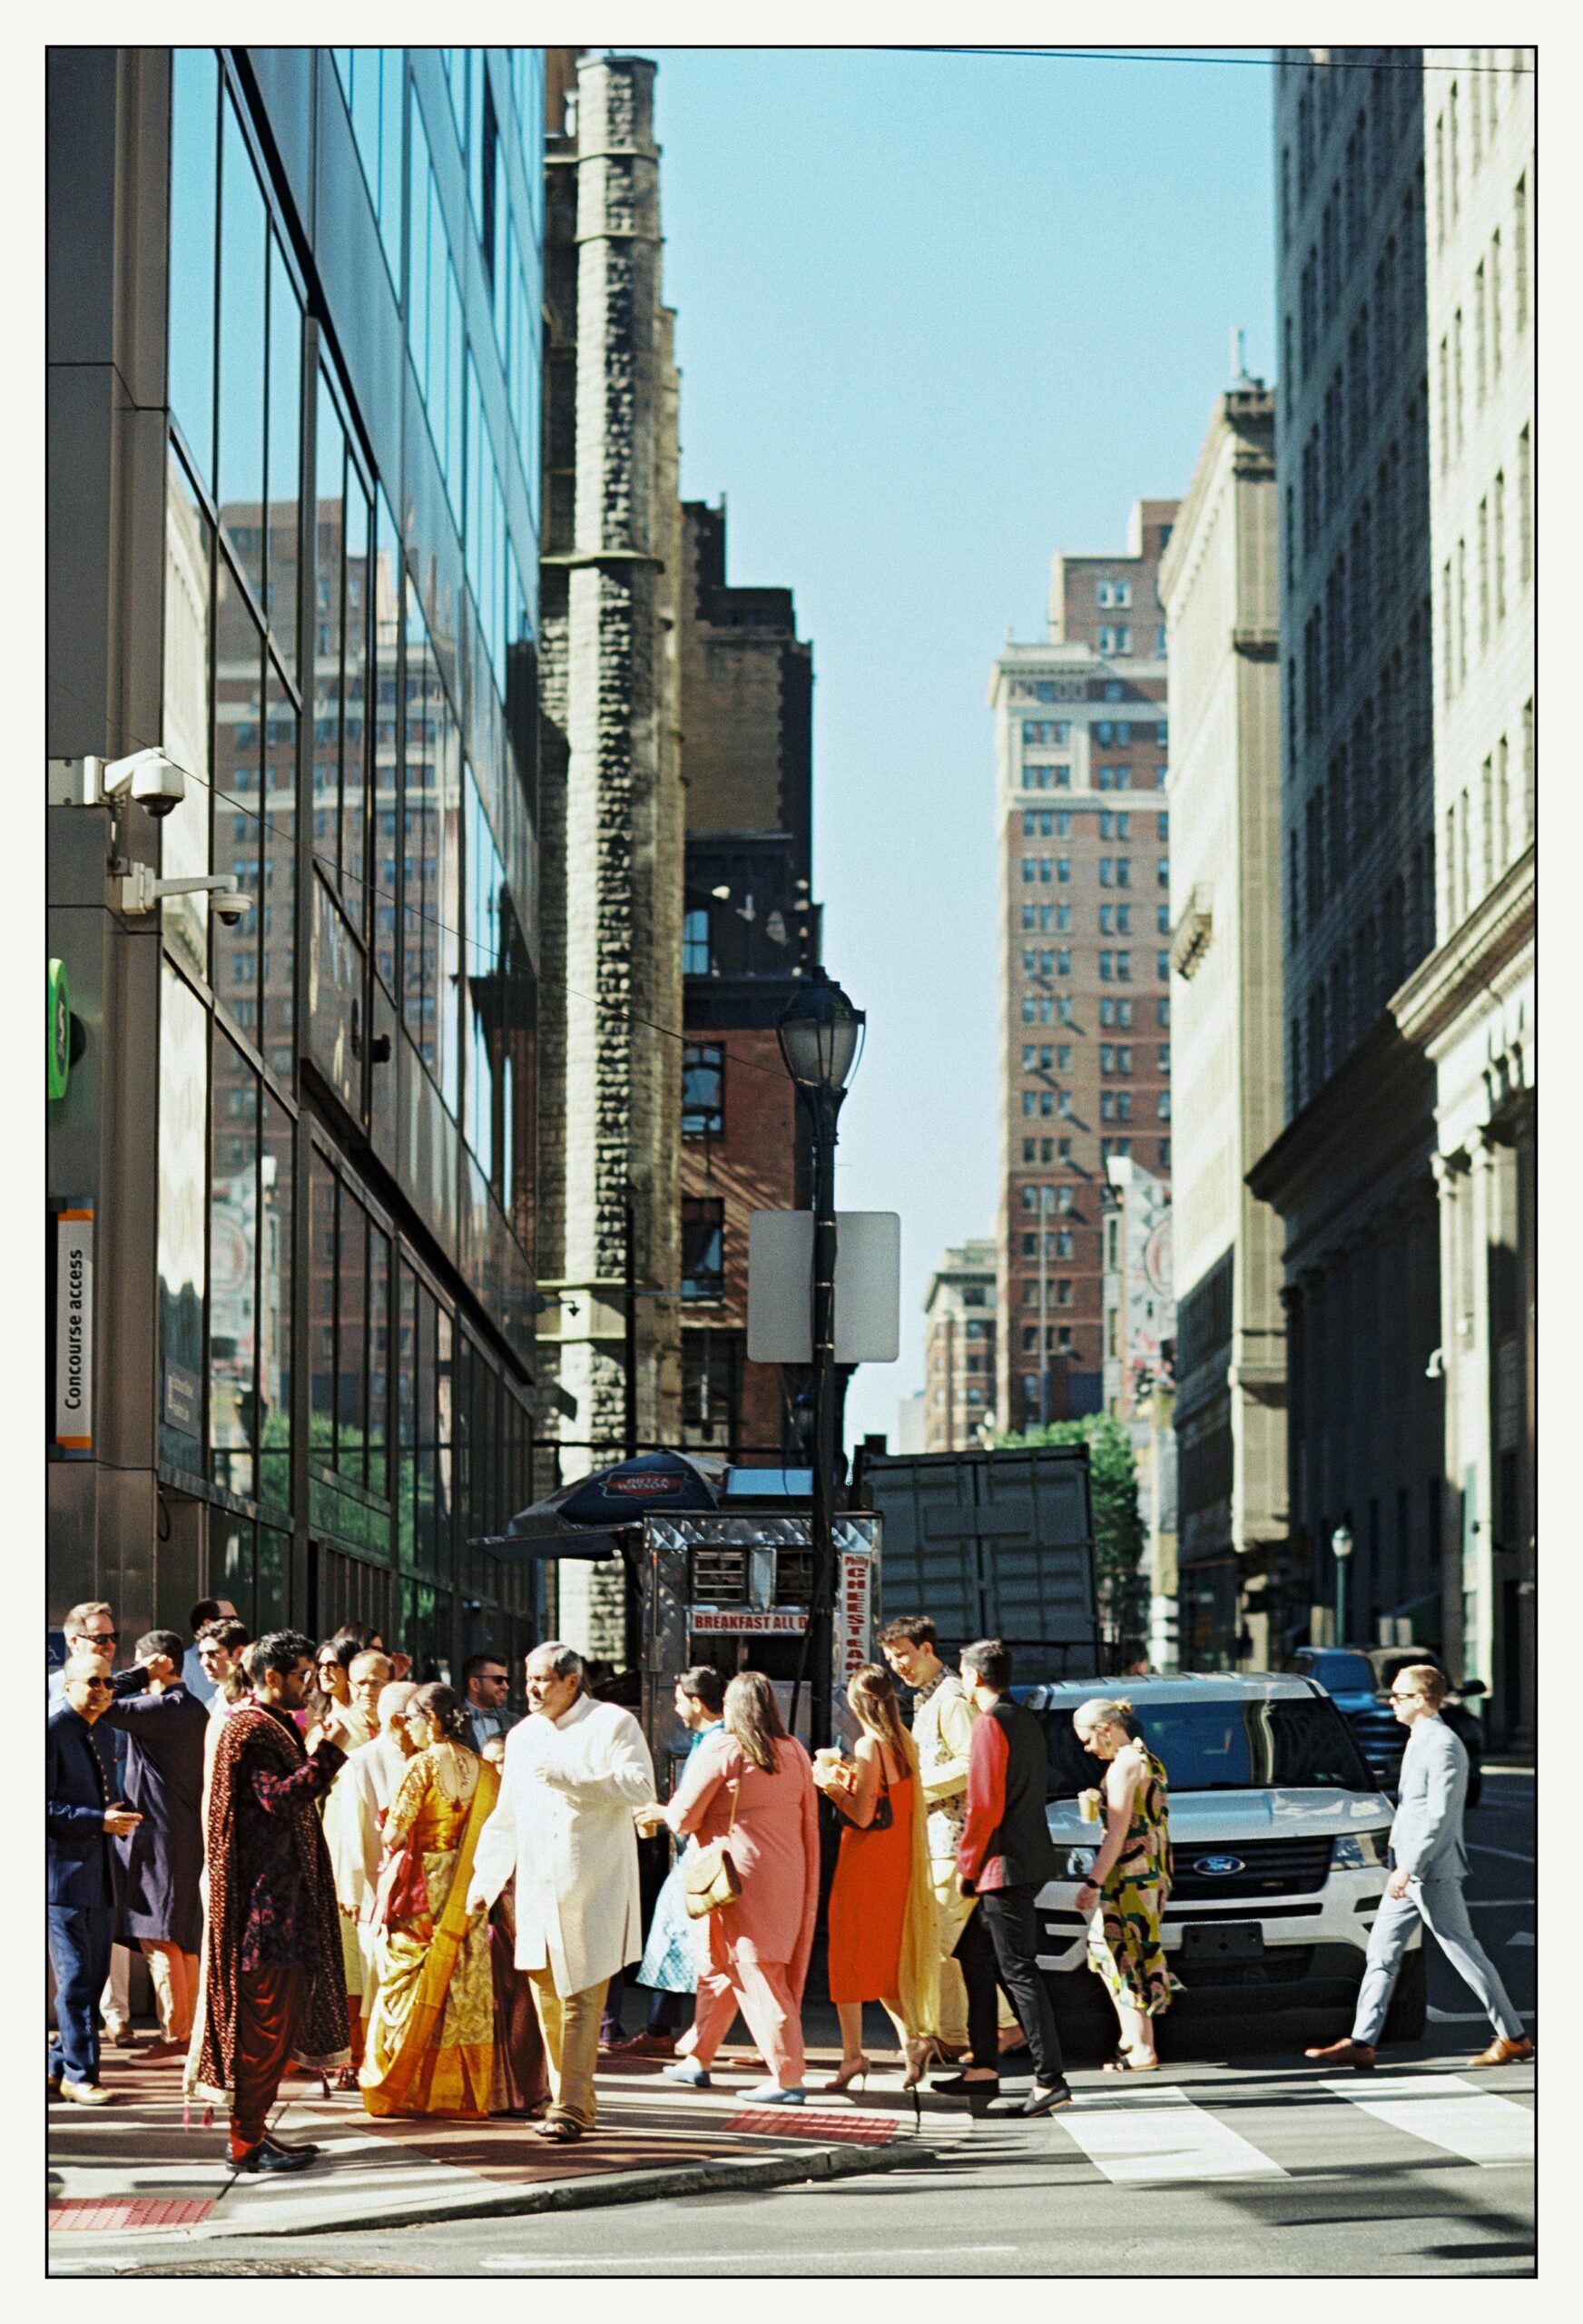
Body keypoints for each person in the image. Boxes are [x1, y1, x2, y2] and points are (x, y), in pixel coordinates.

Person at [1303, 1663, 1534, 2072]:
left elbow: (1438, 1816)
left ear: (1423, 1699)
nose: (1391, 1702)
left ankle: (1513, 2037)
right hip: (1409, 1870)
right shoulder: (1420, 1738)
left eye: (1399, 1696)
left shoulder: (1441, 1743)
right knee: (1382, 1953)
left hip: (1430, 1870)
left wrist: (1408, 1867)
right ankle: (1362, 2041)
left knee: (1463, 1952)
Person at [468, 1642, 655, 2143]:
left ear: (572, 1682)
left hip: (589, 1880)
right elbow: (505, 1816)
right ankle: (575, 2101)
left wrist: (569, 1777)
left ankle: (569, 2106)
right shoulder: (524, 1735)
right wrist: (484, 1882)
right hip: (535, 1882)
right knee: (547, 1995)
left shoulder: (613, 1723)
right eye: (527, 1678)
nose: (531, 1688)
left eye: (542, 1679)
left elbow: (641, 1788)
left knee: (579, 1994)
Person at [193, 1631, 354, 2173]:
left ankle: (254, 2132)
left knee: (277, 2026)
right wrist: (331, 1752)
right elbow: (279, 1798)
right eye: (303, 1676)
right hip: (264, 1911)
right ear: (270, 1678)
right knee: (262, 2028)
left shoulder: (270, 1724)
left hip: (283, 1903)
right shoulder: (251, 1729)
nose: (311, 1687)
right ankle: (244, 2144)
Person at [645, 1670, 820, 2106]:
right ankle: (698, 2058)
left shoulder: (725, 1747)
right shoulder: (794, 1750)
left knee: (755, 1971)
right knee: (724, 1967)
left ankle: (787, 2074)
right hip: (787, 1871)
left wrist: (656, 1812)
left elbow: (684, 1817)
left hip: (734, 1875)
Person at [880, 1615, 1022, 2063]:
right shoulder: (929, 1699)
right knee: (952, 1943)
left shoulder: (951, 1697)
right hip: (938, 1839)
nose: (897, 1665)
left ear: (927, 1649)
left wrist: (912, 1791)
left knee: (940, 1940)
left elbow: (970, 1763)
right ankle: (970, 2032)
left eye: (902, 1654)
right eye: (889, 1659)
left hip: (954, 1840)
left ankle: (987, 2030)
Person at [939, 1639, 1070, 2118]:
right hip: (1025, 1857)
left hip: (1001, 1864)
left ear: (974, 1676)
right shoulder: (1024, 1719)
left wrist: (966, 1866)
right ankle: (983, 2068)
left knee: (1019, 1970)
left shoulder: (989, 1724)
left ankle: (1049, 2079)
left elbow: (984, 1804)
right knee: (973, 1954)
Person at [359, 1684, 499, 2118]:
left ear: (433, 1720)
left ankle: (402, 2087)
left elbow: (395, 1834)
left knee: (407, 1980)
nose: (407, 1728)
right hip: (467, 1884)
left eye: (412, 1719)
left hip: (425, 1886)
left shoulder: (420, 1766)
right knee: (462, 1985)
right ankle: (457, 2093)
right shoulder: (484, 1769)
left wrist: (390, 1827)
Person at [814, 1662, 939, 2091]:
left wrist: (831, 1786)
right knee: (886, 1959)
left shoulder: (869, 1744)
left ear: (857, 1702)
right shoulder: (904, 1742)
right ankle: (915, 2042)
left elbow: (863, 1813)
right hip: (896, 1862)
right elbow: (888, 1802)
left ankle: (853, 2057)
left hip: (864, 1861)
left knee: (846, 1953)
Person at [97, 1630, 209, 2053]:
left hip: (158, 1834)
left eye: (143, 1662)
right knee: (182, 1933)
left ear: (160, 1662)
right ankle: (189, 2025)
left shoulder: (161, 1706)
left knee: (158, 1934)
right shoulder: (194, 1707)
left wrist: (138, 1673)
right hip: (183, 1831)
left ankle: (177, 2030)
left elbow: (103, 1702)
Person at [619, 1666, 727, 2058]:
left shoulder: (716, 1743)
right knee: (682, 1941)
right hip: (699, 1855)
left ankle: (666, 2028)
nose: (675, 1706)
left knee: (685, 1942)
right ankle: (664, 2026)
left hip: (702, 1857)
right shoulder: (711, 1739)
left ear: (696, 1702)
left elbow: (691, 1809)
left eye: (679, 1699)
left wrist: (661, 1813)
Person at [48, 1657, 142, 2103]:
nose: (104, 1689)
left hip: (102, 1875)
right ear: (68, 1687)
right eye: (93, 1681)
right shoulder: (51, 1731)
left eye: (108, 1681)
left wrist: (120, 1813)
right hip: (62, 1879)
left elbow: (104, 1793)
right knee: (76, 1981)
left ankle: (55, 2067)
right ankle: (81, 2076)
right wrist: (97, 1819)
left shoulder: (105, 1731)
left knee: (96, 1974)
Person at [1071, 1695, 1180, 2071]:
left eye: (1087, 1738)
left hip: (1130, 1872)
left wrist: (1092, 1882)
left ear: (1106, 1729)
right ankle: (1132, 2037)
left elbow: (1116, 1834)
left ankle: (1143, 2045)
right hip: (1152, 1869)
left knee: (1122, 1952)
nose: (1086, 1748)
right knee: (1116, 1948)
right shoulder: (1143, 1757)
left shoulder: (1122, 1766)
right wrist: (1100, 1800)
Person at [321, 1674, 413, 2083]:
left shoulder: (427, 1755)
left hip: (419, 1890)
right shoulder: (363, 1760)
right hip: (375, 1889)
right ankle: (362, 2058)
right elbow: (352, 1831)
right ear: (397, 1720)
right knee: (369, 1975)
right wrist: (352, 1888)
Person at [182, 1599, 240, 1706]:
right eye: (231, 1619)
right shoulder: (184, 1664)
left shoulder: (243, 1661)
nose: (236, 1625)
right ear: (208, 1623)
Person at [303, 1637, 359, 1747]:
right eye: (320, 1666)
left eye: (331, 1665)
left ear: (350, 1667)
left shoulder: (364, 1717)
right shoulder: (313, 1715)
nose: (324, 1671)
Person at [196, 1618, 252, 1720]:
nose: (204, 1663)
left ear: (239, 1653)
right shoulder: (212, 1704)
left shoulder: (254, 1702)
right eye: (201, 1655)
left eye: (212, 1654)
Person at [461, 1654, 516, 1758]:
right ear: (475, 1684)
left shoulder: (515, 1722)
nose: (506, 1686)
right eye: (498, 1680)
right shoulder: (451, 1722)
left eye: (507, 1680)